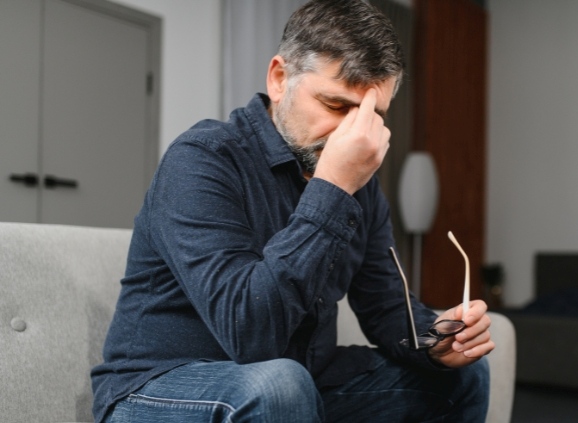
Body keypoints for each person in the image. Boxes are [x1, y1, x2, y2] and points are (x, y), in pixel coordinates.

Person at [91, 0, 494, 421]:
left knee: (463, 377)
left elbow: (386, 307)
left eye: (373, 116)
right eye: (336, 106)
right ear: (280, 79)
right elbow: (249, 334)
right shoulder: (202, 158)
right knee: (280, 384)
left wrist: (436, 340)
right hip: (160, 387)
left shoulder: (363, 186)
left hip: (299, 382)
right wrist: (333, 187)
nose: (354, 135)